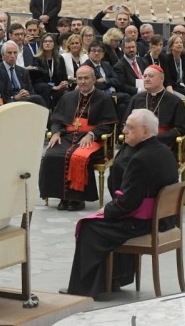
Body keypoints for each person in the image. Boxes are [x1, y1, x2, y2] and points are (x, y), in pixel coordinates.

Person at [64, 109, 178, 297]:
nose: (124, 130)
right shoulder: (164, 151)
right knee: (103, 223)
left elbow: (128, 204)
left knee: (89, 227)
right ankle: (115, 279)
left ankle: (86, 288)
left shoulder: (140, 159)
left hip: (144, 223)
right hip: (162, 220)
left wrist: (105, 210)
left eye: (130, 128)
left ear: (146, 131)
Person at [40, 66, 117, 211]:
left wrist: (92, 134)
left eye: (86, 78)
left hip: (92, 139)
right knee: (51, 155)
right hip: (67, 136)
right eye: (79, 78)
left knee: (78, 157)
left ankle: (77, 199)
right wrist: (56, 132)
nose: (82, 82)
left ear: (94, 79)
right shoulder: (67, 97)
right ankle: (63, 197)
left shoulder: (103, 99)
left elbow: (109, 125)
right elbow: (57, 120)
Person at [109, 65, 185, 192]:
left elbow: (181, 128)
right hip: (135, 143)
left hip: (162, 145)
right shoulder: (136, 99)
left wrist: (157, 138)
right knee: (118, 165)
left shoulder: (174, 101)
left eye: (150, 76)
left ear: (161, 79)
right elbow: (124, 122)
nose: (146, 79)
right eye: (144, 76)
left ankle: (149, 199)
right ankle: (121, 197)